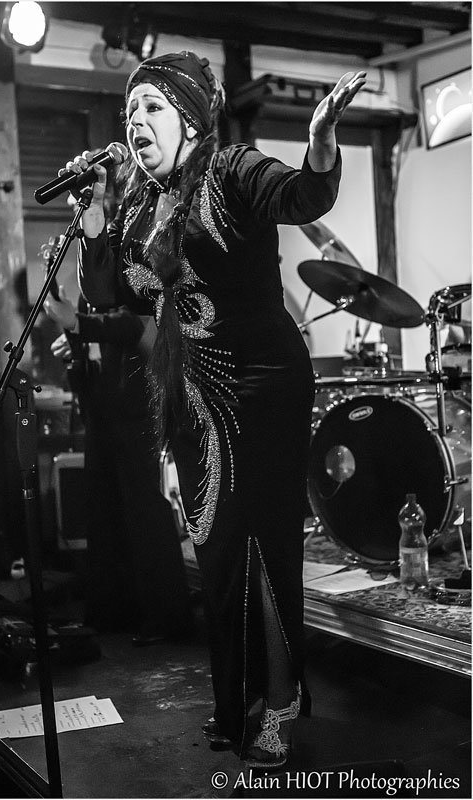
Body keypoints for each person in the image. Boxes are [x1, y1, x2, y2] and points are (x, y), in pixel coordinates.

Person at [64, 50, 365, 766]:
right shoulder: (140, 202)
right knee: (217, 552)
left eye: (152, 108)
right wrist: (96, 214)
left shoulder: (232, 170)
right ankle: (237, 700)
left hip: (262, 386)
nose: (135, 122)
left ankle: (280, 701)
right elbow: (107, 296)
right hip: (191, 394)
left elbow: (303, 197)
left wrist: (321, 139)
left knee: (263, 549)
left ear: (192, 118)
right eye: (129, 111)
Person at [44, 290, 193, 646]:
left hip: (138, 398)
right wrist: (76, 342)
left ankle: (167, 616)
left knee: (143, 507)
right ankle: (118, 611)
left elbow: (136, 322)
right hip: (103, 400)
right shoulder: (88, 282)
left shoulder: (127, 267)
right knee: (105, 506)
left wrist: (79, 324)